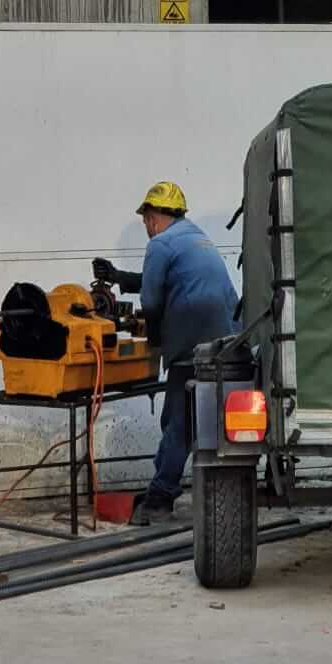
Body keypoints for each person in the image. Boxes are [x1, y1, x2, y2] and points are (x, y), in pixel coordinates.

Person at [94, 181, 237, 523]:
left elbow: (153, 300)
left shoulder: (159, 243)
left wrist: (154, 343)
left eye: (146, 219)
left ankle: (160, 498)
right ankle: (181, 485)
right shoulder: (195, 236)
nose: (146, 225)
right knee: (207, 419)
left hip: (192, 346)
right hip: (229, 339)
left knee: (178, 421)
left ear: (153, 218)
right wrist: (118, 277)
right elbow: (169, 278)